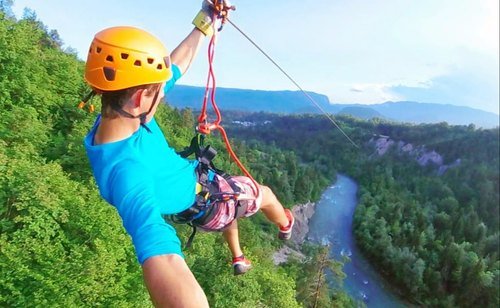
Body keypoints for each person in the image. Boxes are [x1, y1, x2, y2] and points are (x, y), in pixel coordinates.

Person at [82, 2, 294, 307]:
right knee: (266, 194)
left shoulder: (118, 118)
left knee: (233, 207)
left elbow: (176, 64)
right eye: (159, 91)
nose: (163, 94)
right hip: (207, 202)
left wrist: (207, 18)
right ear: (141, 97)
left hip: (200, 193)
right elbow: (161, 255)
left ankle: (239, 254)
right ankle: (286, 223)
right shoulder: (126, 172)